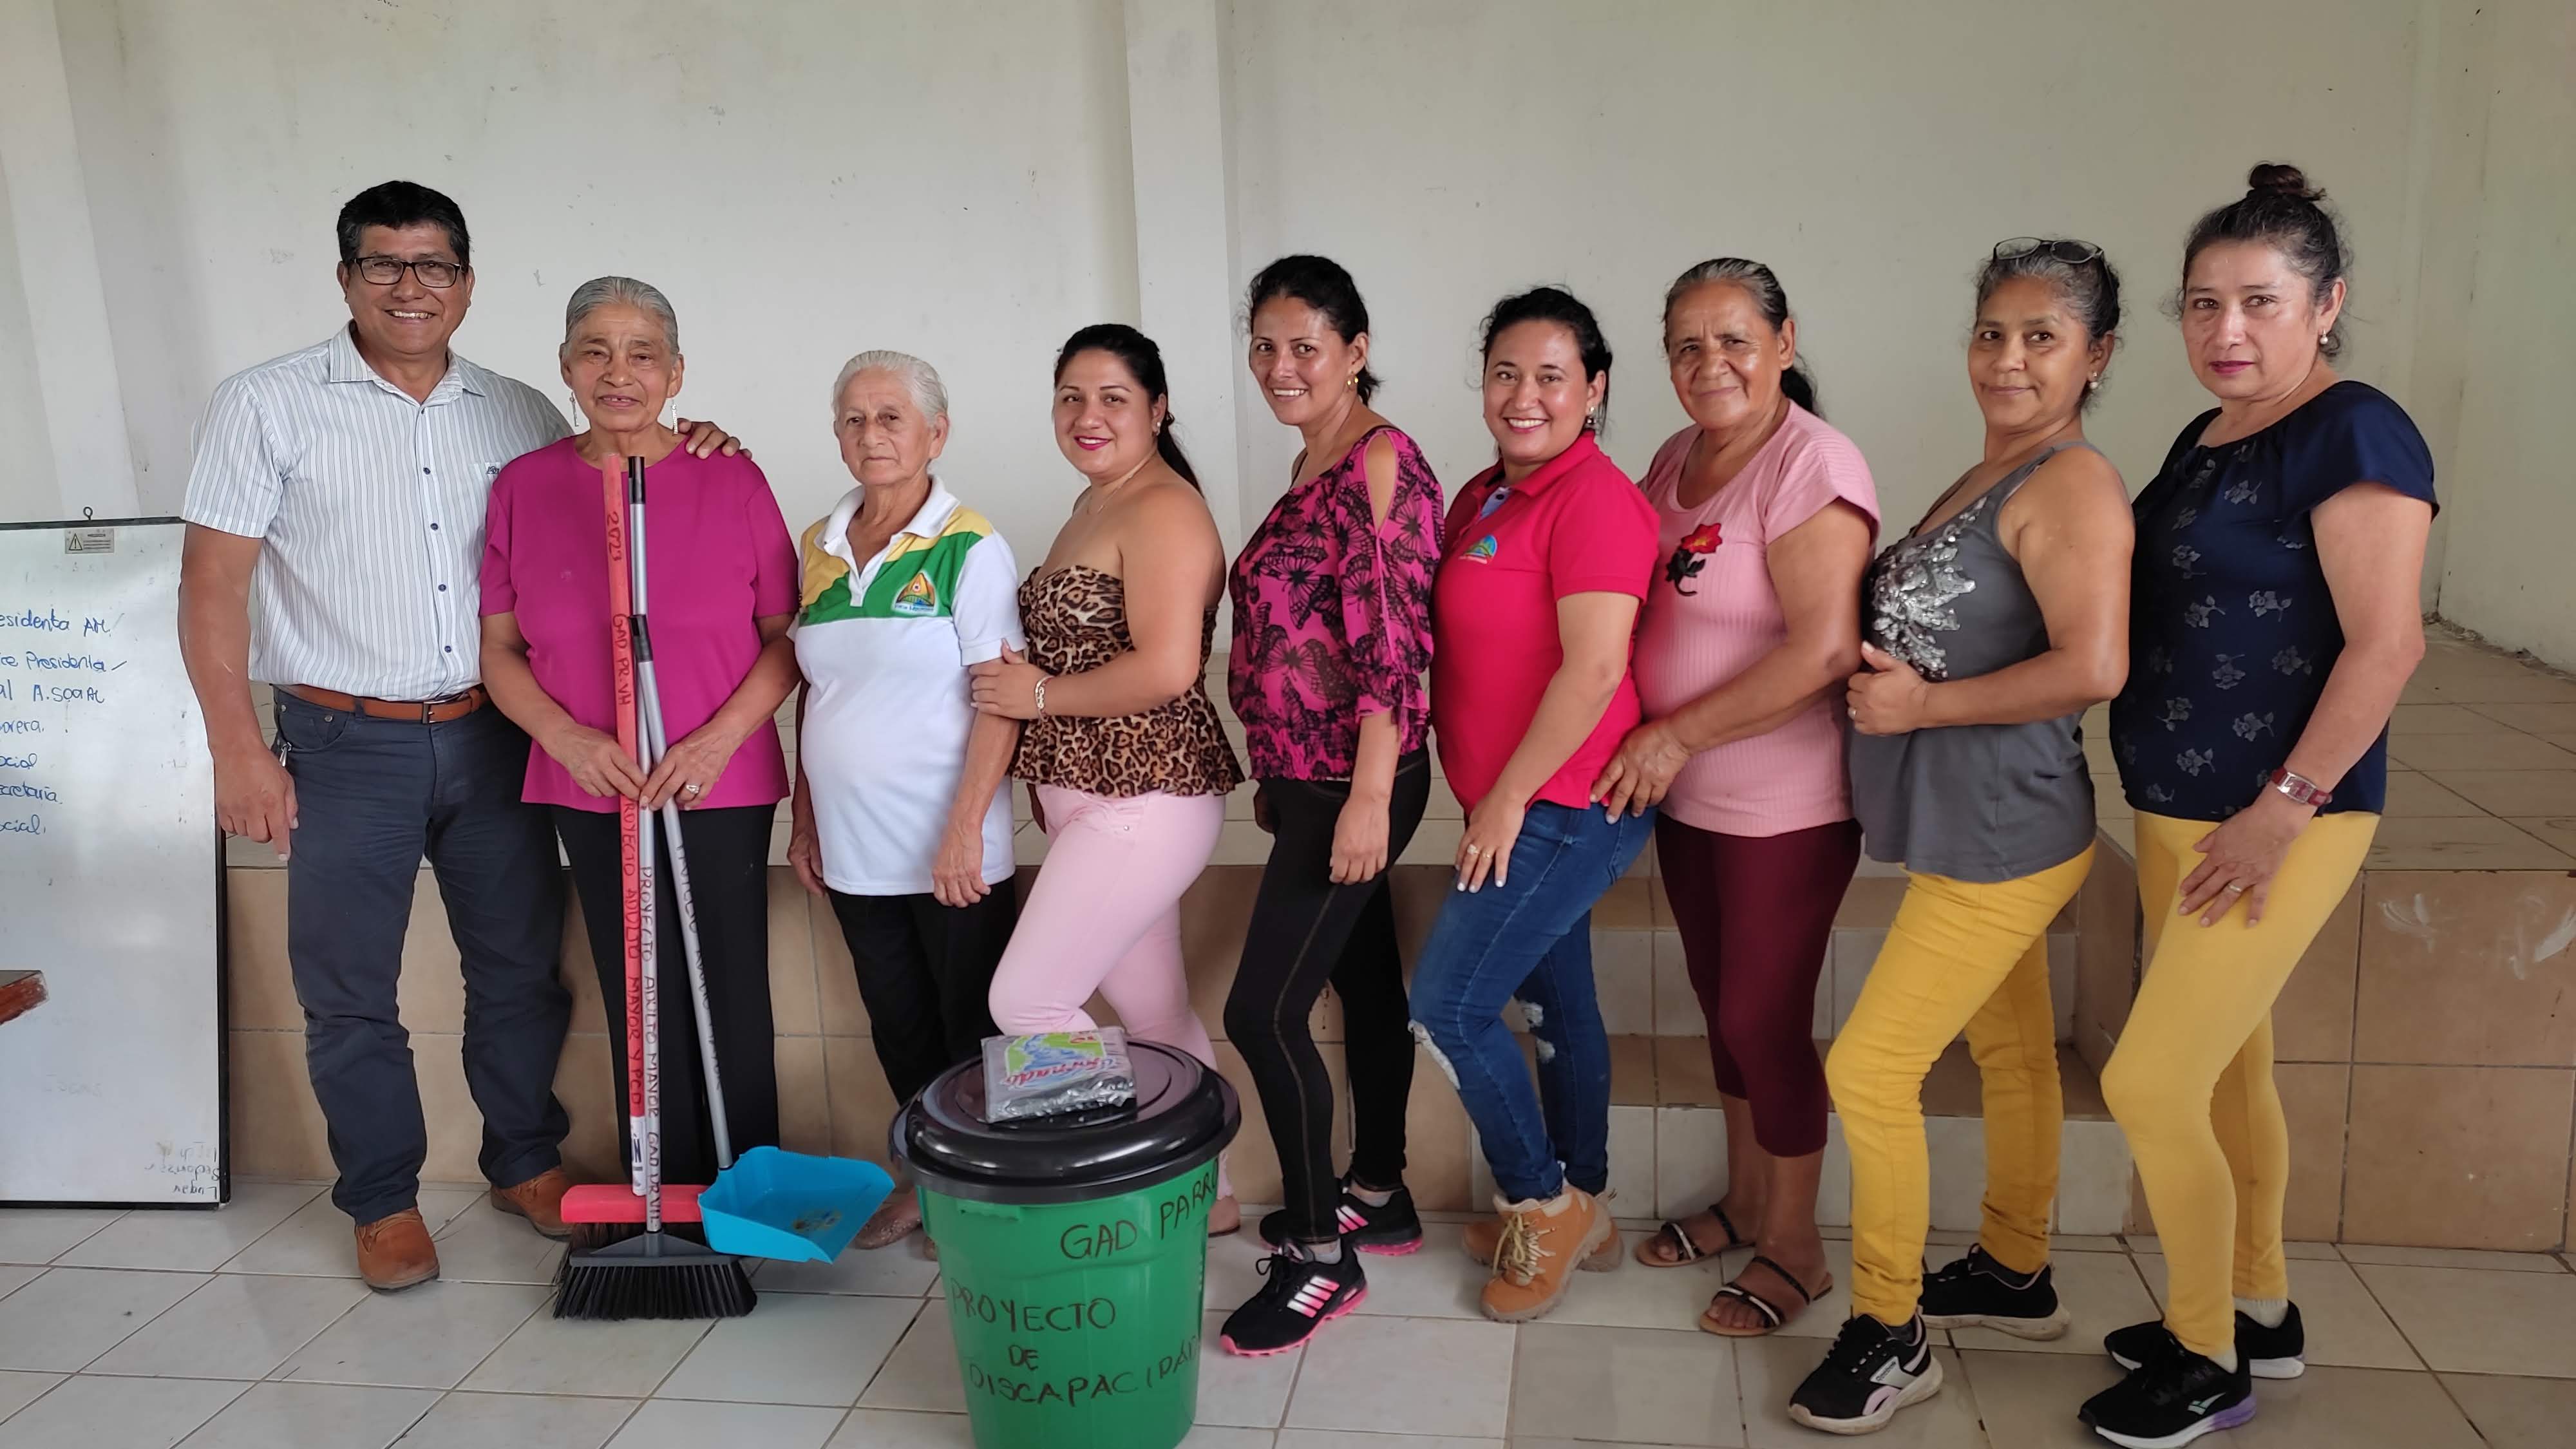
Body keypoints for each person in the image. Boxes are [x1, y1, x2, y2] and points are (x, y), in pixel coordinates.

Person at [176, 182, 737, 1291]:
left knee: (521, 965)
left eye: (433, 265)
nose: (410, 287)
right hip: (344, 740)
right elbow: (210, 589)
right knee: (348, 986)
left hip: (495, 734)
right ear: (346, 278)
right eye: (383, 264)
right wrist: (236, 748)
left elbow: (619, 470)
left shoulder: (518, 409)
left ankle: (524, 1158)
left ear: (468, 284)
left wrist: (700, 439)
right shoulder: (266, 405)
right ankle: (382, 1199)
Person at [2083, 165, 2433, 1449]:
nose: (2225, 329)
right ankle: (2257, 1307)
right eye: (2202, 304)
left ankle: (2202, 1357)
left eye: (2259, 302)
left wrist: (2285, 806)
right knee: (2231, 1072)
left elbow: (2386, 644)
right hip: (2179, 803)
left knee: (2149, 1079)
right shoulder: (2208, 434)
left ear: (2325, 304)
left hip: (2280, 818)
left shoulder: (2356, 432)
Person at [1786, 238, 2134, 1434]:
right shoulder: (1998, 469)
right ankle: (2016, 1268)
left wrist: (1921, 708)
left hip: (2005, 830)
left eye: (2043, 337)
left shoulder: (2073, 485)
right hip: (1977, 822)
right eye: (1993, 332)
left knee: (1869, 1069)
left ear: (2097, 355)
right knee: (2014, 1051)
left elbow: (2094, 663)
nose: (2008, 358)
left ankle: (1890, 1329)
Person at [1593, 258, 1877, 1336]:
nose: (1709, 363)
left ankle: (1798, 1246)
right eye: (1687, 345)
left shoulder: (1812, 463)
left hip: (1785, 802)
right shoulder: (1678, 456)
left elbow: (1823, 649)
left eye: (1734, 341)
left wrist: (1673, 734)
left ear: (1784, 343)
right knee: (1724, 1010)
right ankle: (1750, 1201)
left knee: (1765, 1016)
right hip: (1687, 796)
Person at [480, 276, 796, 1195]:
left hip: (718, 779)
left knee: (728, 986)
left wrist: (718, 741)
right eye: (596, 351)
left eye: (643, 353)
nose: (619, 372)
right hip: (594, 780)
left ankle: (745, 1193)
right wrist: (566, 738)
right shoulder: (525, 486)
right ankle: (659, 1191)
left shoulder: (731, 477)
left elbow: (788, 638)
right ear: (566, 368)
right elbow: (499, 649)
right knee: (637, 990)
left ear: (677, 373)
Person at [1408, 286, 1658, 1325]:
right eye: (1505, 373)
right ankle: (1584, 1201)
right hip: (1513, 798)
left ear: (1594, 389)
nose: (1525, 395)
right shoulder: (1483, 495)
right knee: (1557, 1003)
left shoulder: (1594, 499)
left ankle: (1542, 1202)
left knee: (1448, 1005)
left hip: (1564, 802)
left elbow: (1594, 669)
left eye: (1552, 376)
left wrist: (1506, 799)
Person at [968, 323, 1244, 1234]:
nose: (1089, 416)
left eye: (1114, 398)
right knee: (1155, 1013)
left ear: (1157, 410)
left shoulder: (1163, 508)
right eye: (1071, 397)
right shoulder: (1093, 503)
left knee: (1025, 1000)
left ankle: (1107, 1191)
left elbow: (1168, 667)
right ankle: (1208, 1196)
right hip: (1096, 801)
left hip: (1145, 797)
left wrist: (1038, 694)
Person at [1217, 257, 1444, 1356]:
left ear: (1355, 351)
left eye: (1304, 345)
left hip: (1355, 780)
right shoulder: (1314, 459)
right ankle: (1378, 1192)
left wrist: (1366, 799)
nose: (1281, 366)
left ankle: (1318, 1255)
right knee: (1364, 983)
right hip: (1309, 778)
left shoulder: (1378, 459)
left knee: (1261, 1014)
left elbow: (1393, 643)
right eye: (1264, 345)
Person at [786, 350, 1024, 1252]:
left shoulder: (970, 543)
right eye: (854, 418)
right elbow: (816, 693)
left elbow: (999, 698)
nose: (871, 434)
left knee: (975, 1033)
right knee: (898, 1026)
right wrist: (805, 816)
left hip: (950, 848)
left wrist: (964, 829)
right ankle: (927, 1182)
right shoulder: (818, 545)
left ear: (936, 433)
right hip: (854, 848)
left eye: (892, 417)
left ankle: (988, 1194)